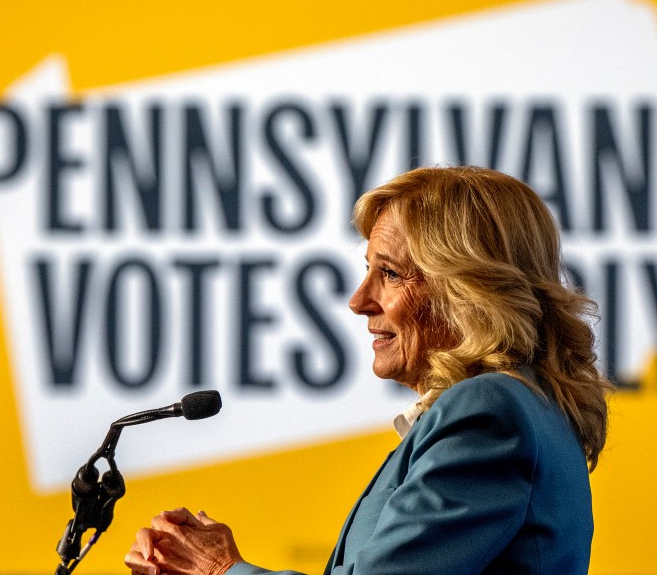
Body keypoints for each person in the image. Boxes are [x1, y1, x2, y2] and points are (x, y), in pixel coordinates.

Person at [124, 166, 611, 575]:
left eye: (391, 273)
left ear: (469, 288)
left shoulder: (490, 412)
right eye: (367, 269)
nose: (358, 302)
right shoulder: (528, 407)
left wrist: (223, 571)